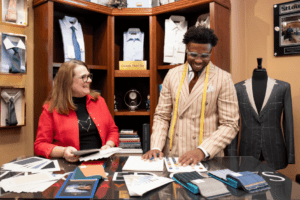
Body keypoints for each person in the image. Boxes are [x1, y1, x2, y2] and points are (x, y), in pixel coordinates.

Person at [142, 26, 239, 166]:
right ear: (186, 50)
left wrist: (202, 150)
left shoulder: (223, 78)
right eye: (193, 54)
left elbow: (230, 124)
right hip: (174, 155)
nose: (198, 60)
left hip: (207, 157)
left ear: (211, 52)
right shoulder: (172, 75)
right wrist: (156, 146)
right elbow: (162, 116)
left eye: (204, 55)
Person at [34, 60, 119, 162]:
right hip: (69, 166)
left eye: (89, 76)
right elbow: (40, 145)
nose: (89, 80)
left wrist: (109, 145)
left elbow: (112, 130)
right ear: (68, 82)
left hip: (101, 163)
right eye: (83, 77)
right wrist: (64, 151)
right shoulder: (50, 109)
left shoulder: (99, 101)